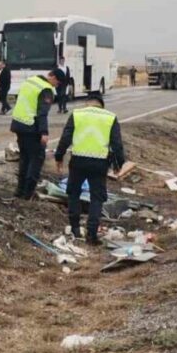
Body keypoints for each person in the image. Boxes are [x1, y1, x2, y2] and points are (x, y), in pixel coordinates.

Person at [54, 91, 125, 244]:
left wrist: (59, 157)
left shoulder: (77, 114)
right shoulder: (110, 117)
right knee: (96, 198)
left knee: (74, 193)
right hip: (99, 164)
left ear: (88, 102)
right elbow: (117, 144)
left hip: (78, 161)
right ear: (101, 105)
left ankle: (75, 229)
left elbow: (65, 138)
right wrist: (118, 164)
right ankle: (91, 235)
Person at [11, 68, 61, 199]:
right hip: (31, 127)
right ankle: (28, 194)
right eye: (58, 83)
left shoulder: (30, 81)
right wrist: (44, 132)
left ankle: (20, 191)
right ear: (53, 77)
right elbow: (42, 113)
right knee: (36, 159)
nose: (57, 86)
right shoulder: (46, 89)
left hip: (18, 123)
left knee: (25, 158)